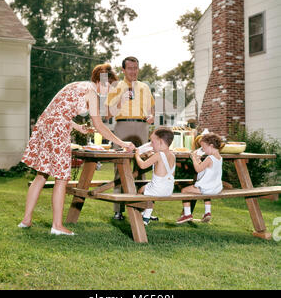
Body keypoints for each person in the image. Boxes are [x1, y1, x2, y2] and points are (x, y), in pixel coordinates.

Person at [18, 63, 135, 236]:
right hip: (57, 130)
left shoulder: (77, 85)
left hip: (45, 125)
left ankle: (26, 220)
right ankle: (57, 226)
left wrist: (76, 127)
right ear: (101, 81)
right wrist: (123, 144)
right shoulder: (92, 93)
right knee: (61, 177)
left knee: (41, 174)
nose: (110, 90)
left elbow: (57, 110)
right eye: (109, 85)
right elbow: (100, 126)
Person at [105, 56, 155, 220]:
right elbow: (107, 114)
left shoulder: (145, 87)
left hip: (142, 127)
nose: (134, 71)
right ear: (123, 70)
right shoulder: (116, 87)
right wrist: (120, 102)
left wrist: (151, 116)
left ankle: (142, 209)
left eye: (136, 68)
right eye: (130, 68)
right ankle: (118, 210)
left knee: (142, 168)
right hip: (122, 127)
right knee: (121, 167)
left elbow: (152, 108)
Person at [176, 132, 223, 224]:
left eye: (204, 148)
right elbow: (204, 167)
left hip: (208, 188)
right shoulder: (219, 157)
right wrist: (198, 160)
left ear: (211, 146)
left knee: (184, 191)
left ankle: (187, 214)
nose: (204, 150)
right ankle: (207, 212)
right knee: (205, 193)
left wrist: (193, 158)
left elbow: (198, 169)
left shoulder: (209, 158)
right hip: (216, 187)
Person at [135, 127, 175, 225]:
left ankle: (140, 214)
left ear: (160, 141)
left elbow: (142, 165)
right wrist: (150, 156)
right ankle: (147, 215)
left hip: (157, 190)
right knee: (149, 188)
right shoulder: (172, 155)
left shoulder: (158, 155)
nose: (151, 145)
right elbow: (161, 164)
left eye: (152, 142)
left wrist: (137, 155)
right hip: (168, 190)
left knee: (141, 190)